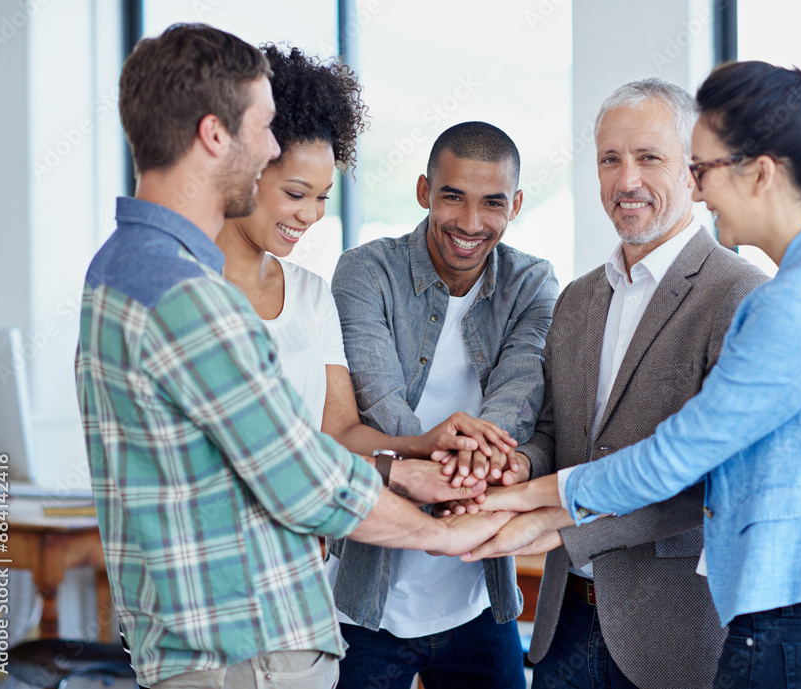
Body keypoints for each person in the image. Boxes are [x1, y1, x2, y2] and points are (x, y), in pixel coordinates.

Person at [75, 24, 511, 689]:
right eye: (265, 128)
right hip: (247, 649)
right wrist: (451, 536)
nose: (273, 145)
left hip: (196, 642)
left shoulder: (116, 268)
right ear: (216, 135)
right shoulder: (192, 298)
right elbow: (305, 480)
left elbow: (302, 450)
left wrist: (406, 468)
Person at [471, 60, 801, 689]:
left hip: (799, 631)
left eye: (698, 169)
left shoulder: (782, 300)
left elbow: (680, 457)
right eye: (608, 159)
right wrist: (523, 477)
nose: (701, 190)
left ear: (759, 172)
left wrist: (532, 504)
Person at [460, 79, 766, 689]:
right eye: (610, 159)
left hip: (675, 634)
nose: (626, 181)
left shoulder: (740, 295)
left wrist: (562, 526)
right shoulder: (576, 299)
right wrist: (515, 468)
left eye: (649, 158)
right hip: (565, 619)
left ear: (692, 172)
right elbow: (555, 433)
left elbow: (710, 482)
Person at [215, 45, 512, 506]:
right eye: (296, 193)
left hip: (301, 563)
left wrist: (423, 446)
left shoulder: (310, 294)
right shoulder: (187, 295)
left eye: (323, 198)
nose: (310, 215)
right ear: (242, 172)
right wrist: (406, 473)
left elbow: (341, 433)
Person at [326, 121, 559, 689]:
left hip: (476, 599)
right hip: (362, 605)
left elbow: (519, 396)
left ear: (517, 204)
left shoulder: (532, 283)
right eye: (453, 196)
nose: (471, 223)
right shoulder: (365, 271)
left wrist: (465, 466)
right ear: (424, 191)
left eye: (493, 203)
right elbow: (378, 406)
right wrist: (457, 474)